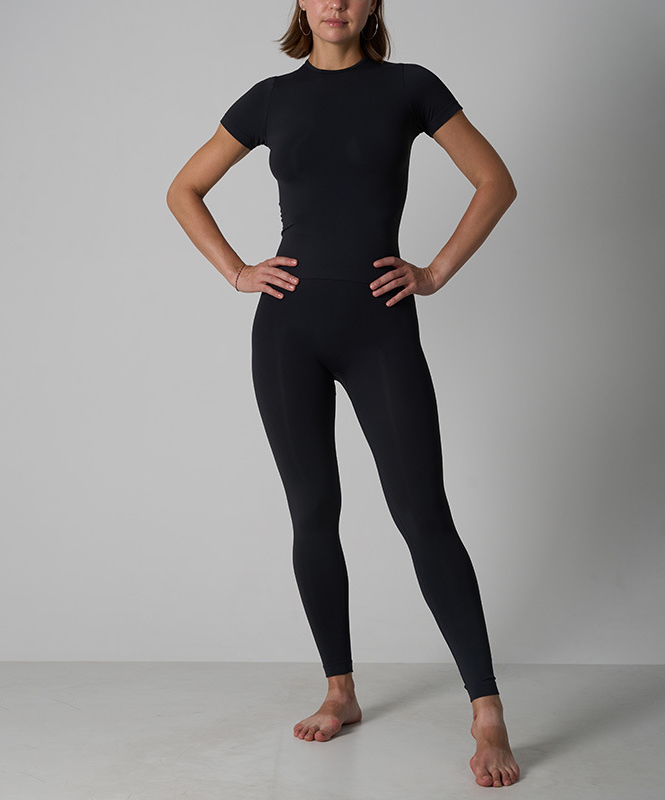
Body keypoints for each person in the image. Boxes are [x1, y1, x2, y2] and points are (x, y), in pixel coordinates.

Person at [167, 0, 519, 788]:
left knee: (421, 512)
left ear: (373, 4)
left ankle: (487, 709)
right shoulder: (269, 100)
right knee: (313, 510)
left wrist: (433, 272)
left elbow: (495, 181)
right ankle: (339, 689)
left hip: (378, 328)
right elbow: (184, 188)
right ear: (301, 1)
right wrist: (238, 271)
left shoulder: (410, 87)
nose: (336, 3)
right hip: (286, 333)